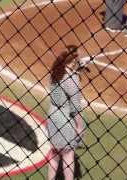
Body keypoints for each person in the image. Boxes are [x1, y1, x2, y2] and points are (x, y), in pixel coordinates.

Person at [47, 45, 85, 180]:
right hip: (65, 119)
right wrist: (80, 126)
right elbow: (75, 107)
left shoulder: (55, 71)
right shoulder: (72, 78)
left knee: (54, 153)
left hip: (52, 117)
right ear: (73, 60)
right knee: (68, 155)